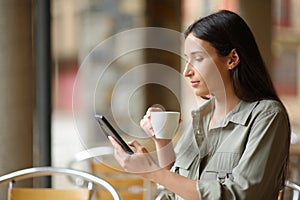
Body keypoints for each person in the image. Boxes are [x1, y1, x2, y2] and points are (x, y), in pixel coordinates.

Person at [109, 10, 291, 199]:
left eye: (198, 58)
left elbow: (238, 195)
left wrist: (153, 172)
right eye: (187, 59)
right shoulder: (202, 115)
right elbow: (177, 187)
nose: (187, 71)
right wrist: (162, 138)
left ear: (232, 59)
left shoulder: (267, 116)